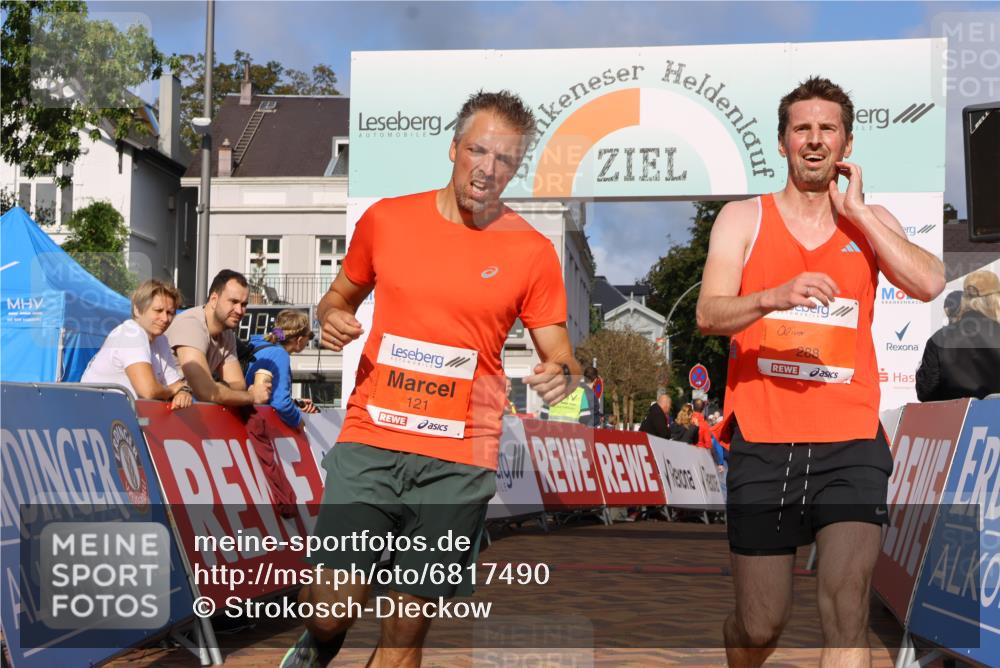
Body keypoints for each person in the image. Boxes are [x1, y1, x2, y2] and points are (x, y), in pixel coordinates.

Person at [287, 90, 579, 668]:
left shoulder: (531, 251)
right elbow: (338, 296)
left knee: (405, 630)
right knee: (329, 609)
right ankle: (319, 645)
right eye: (478, 151)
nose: (488, 169)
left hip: (460, 459)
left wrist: (562, 374)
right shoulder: (388, 220)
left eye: (504, 161)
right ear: (454, 148)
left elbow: (561, 355)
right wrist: (332, 318)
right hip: (373, 438)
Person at [696, 76, 944, 667]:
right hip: (763, 441)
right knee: (760, 626)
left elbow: (929, 281)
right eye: (801, 129)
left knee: (847, 615)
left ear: (846, 143)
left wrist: (858, 212)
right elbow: (708, 312)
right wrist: (771, 297)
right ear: (782, 143)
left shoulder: (871, 220)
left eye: (826, 128)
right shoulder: (742, 218)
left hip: (851, 443)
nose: (814, 140)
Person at [82, 279, 192, 410]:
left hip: (117, 418)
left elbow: (176, 384)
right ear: (137, 310)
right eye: (158, 310)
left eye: (170, 313)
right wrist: (173, 391)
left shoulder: (160, 339)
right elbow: (148, 391)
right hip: (94, 416)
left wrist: (183, 392)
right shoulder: (131, 333)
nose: (165, 319)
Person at [165, 269, 270, 407]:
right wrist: (251, 397)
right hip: (156, 414)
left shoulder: (227, 334)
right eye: (233, 301)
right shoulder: (190, 324)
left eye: (244, 304)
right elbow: (206, 392)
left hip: (183, 413)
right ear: (214, 299)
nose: (239, 310)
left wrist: (217, 387)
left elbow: (238, 385)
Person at [916, 270, 1000, 402]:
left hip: (952, 420)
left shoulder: (939, 339)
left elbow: (925, 393)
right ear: (995, 299)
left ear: (964, 299)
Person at [244, 309, 320, 429]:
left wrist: (294, 403)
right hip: (257, 424)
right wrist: (298, 421)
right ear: (299, 340)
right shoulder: (280, 355)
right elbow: (281, 403)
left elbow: (271, 395)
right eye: (309, 336)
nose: (308, 340)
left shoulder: (261, 347)